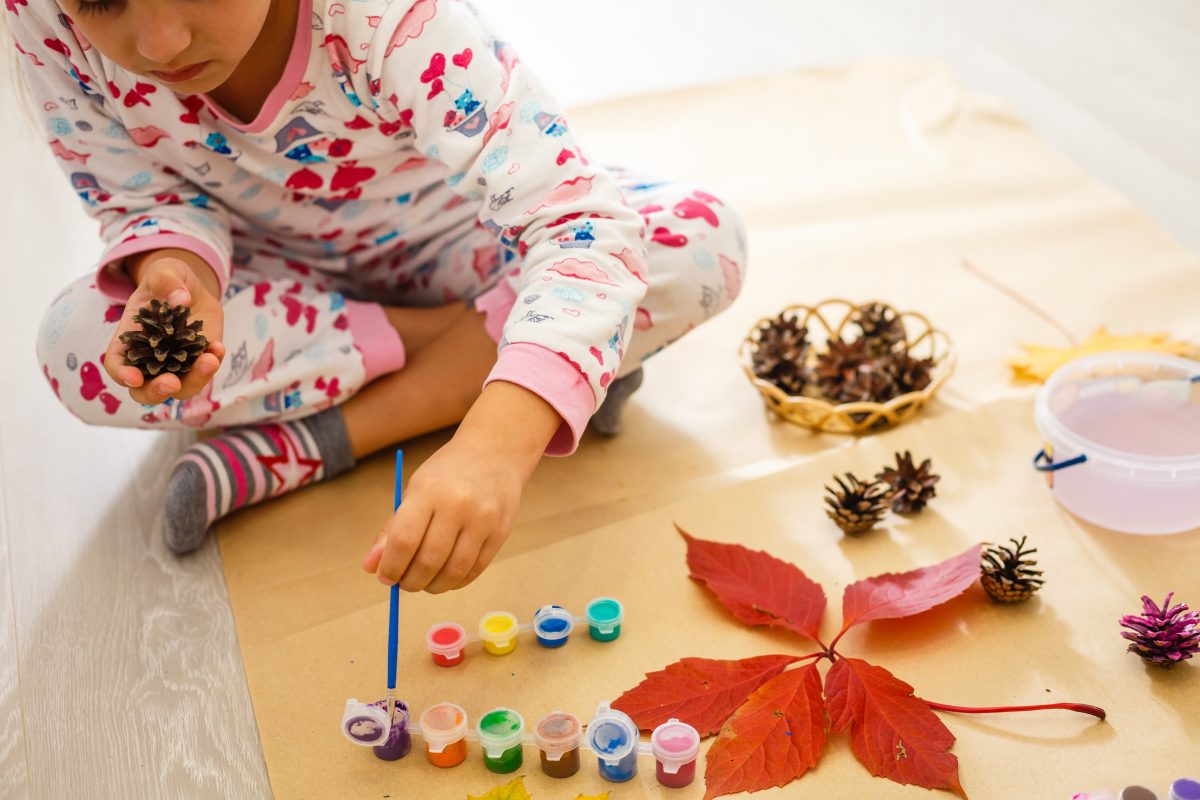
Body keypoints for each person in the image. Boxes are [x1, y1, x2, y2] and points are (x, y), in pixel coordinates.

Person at [8, 0, 746, 594]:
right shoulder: (37, 13)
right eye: (101, 1)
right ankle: (529, 360)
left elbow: (578, 219)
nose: (163, 42)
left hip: (467, 246)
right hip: (278, 283)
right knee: (79, 349)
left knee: (702, 239)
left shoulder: (387, 17)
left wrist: (495, 447)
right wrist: (177, 269)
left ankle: (311, 444)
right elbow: (140, 195)